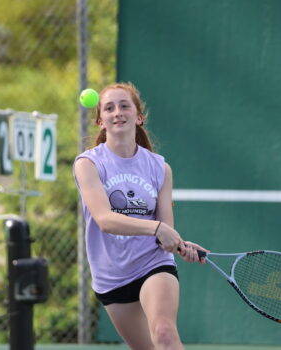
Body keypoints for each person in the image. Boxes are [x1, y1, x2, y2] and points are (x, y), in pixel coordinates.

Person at [73, 82, 207, 350]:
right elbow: (105, 219)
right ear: (101, 121)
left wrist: (176, 243)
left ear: (139, 116)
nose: (117, 112)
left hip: (152, 264)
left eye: (124, 106)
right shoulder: (88, 164)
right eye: (109, 108)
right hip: (112, 276)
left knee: (165, 334)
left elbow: (165, 231)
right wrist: (158, 229)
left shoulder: (160, 168)